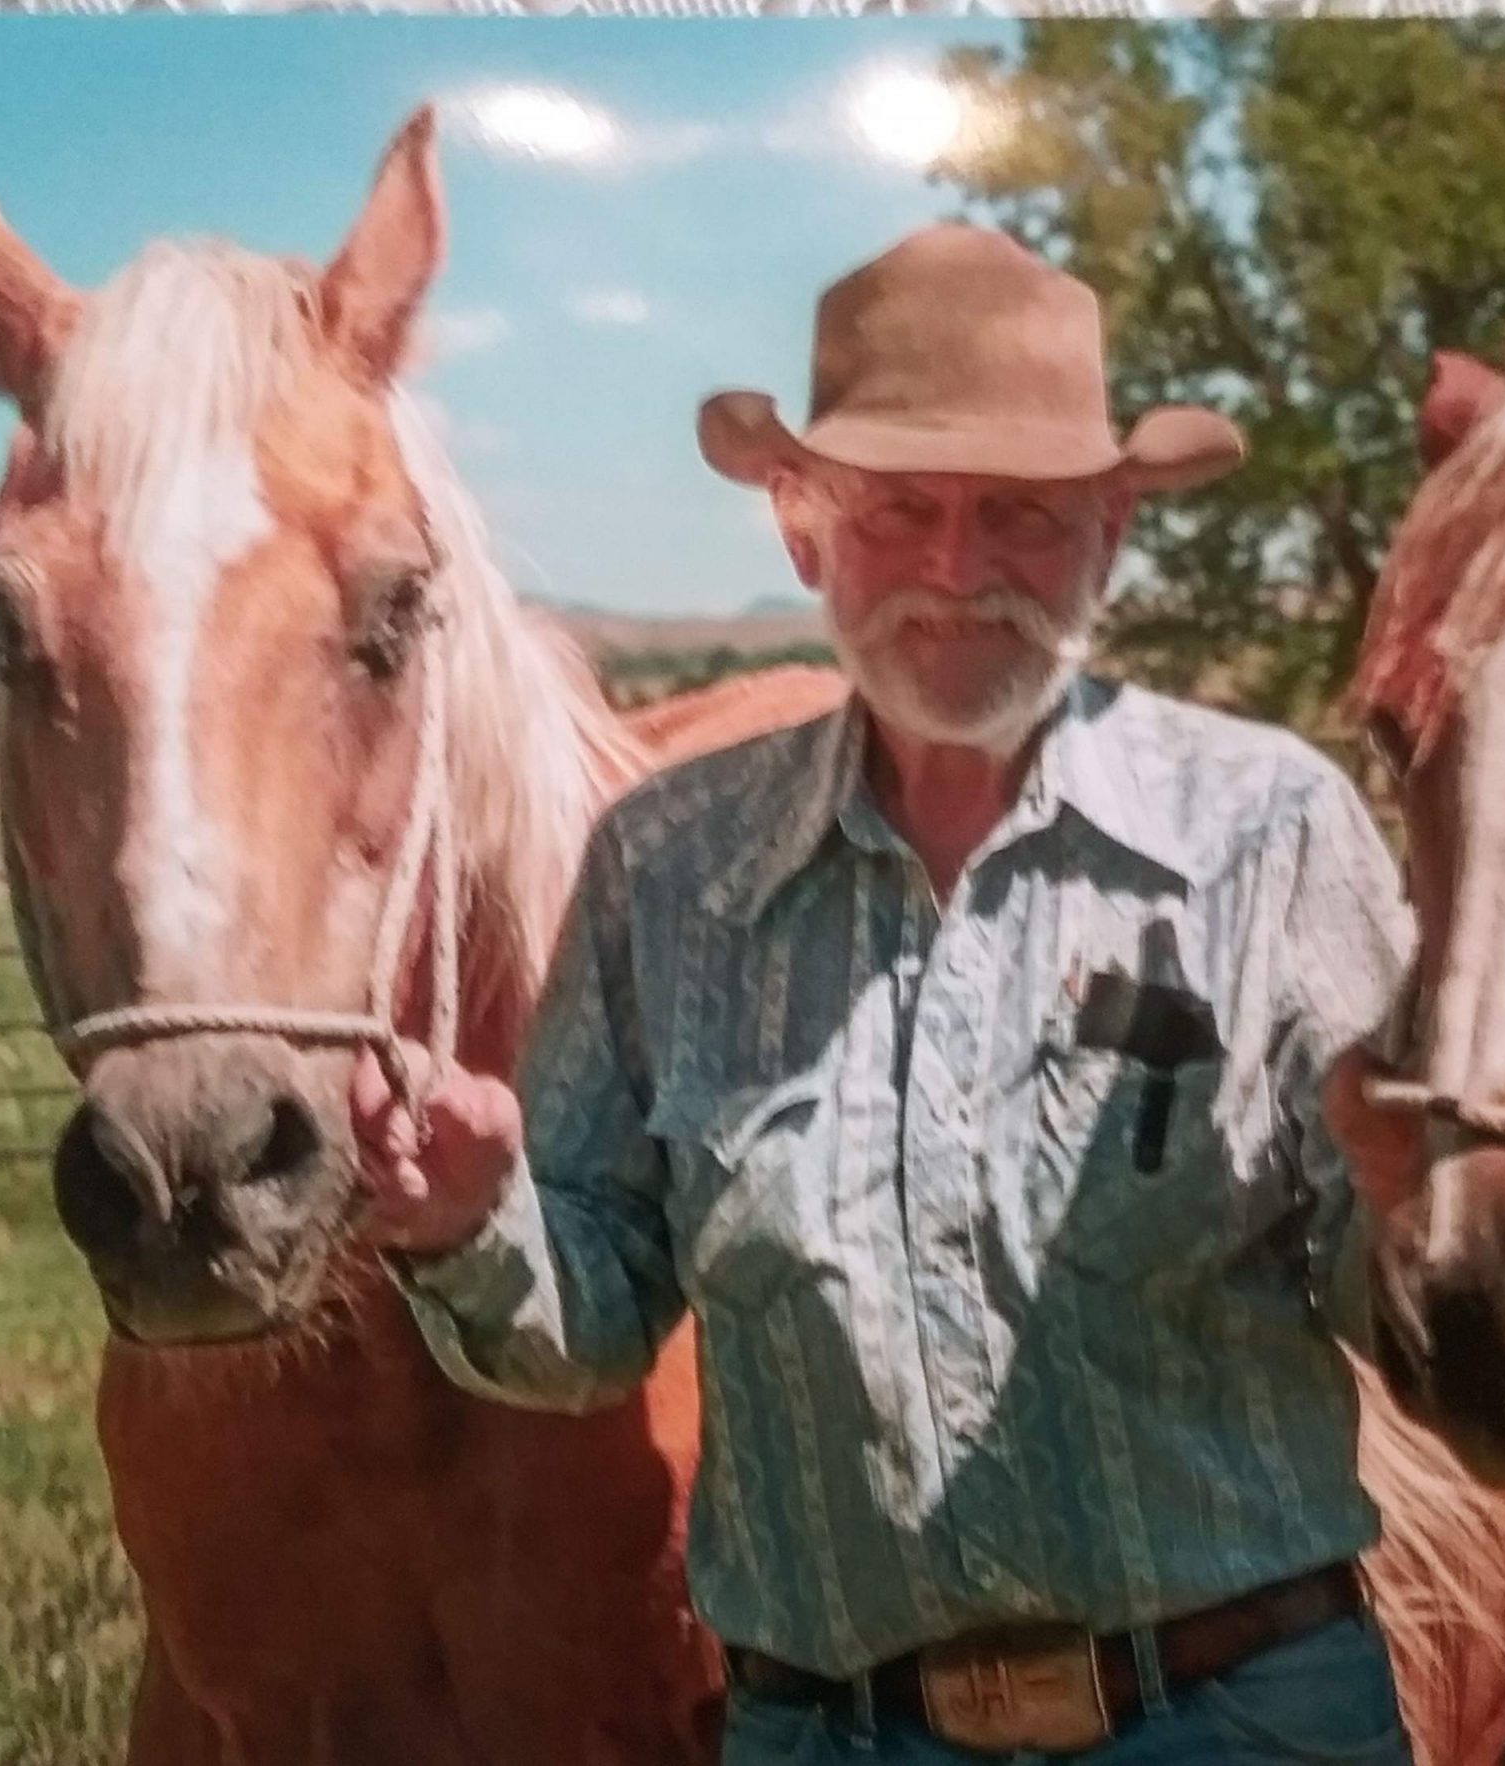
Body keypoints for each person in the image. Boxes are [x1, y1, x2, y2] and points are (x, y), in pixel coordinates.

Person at [353, 223, 1416, 1764]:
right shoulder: (667, 872)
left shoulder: (1268, 831)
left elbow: (1405, 1301)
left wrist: (1425, 1212)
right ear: (802, 525)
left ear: (1114, 530)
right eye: (901, 508)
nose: (958, 571)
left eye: (1026, 519)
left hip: (1237, 1713)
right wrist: (472, 1220)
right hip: (829, 1734)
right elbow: (590, 1322)